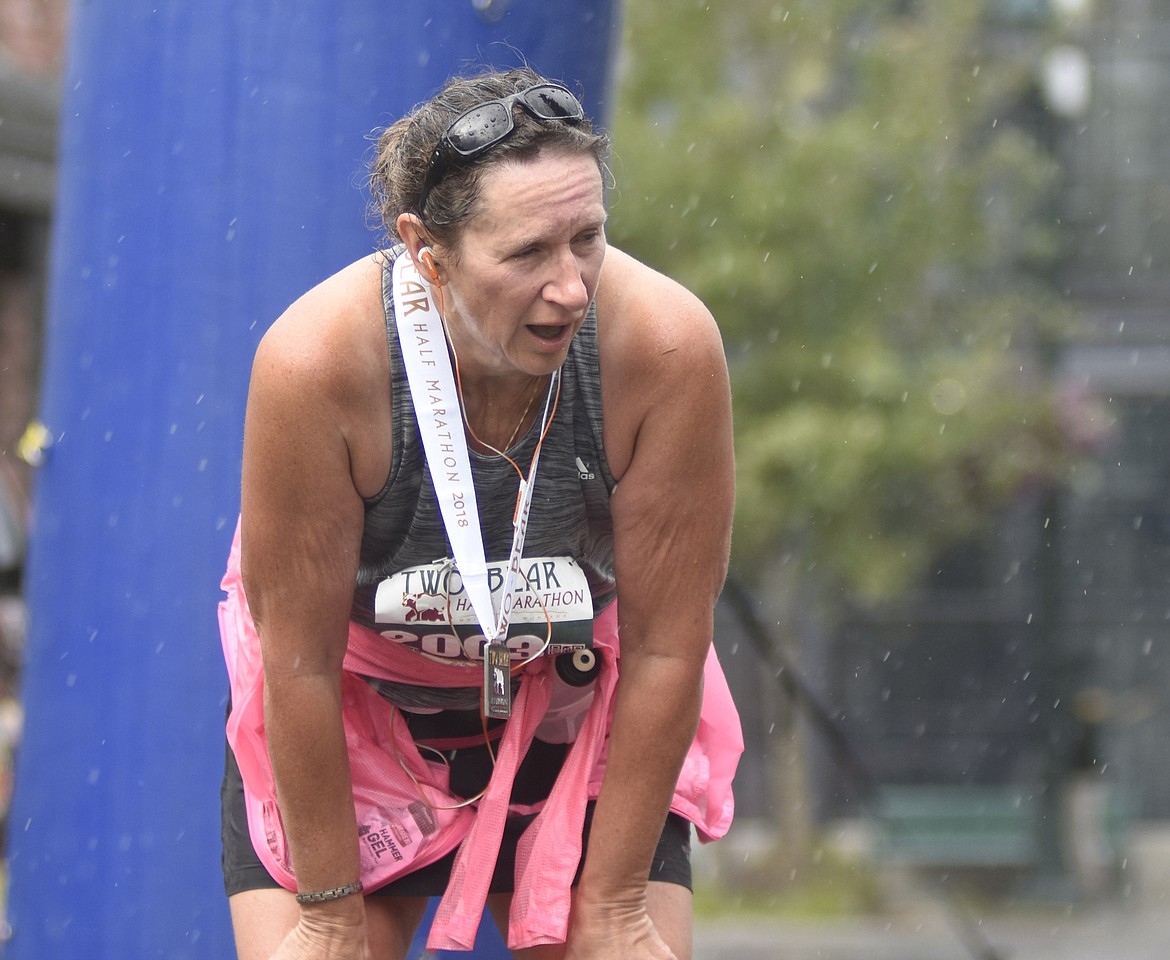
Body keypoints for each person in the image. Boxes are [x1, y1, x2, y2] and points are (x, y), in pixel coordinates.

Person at [218, 65, 742, 960]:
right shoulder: (318, 363)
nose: (573, 286)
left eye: (589, 240)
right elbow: (295, 665)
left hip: (576, 708)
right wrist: (331, 917)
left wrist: (613, 906)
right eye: (529, 253)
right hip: (357, 718)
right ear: (428, 251)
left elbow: (666, 646)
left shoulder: (663, 345)